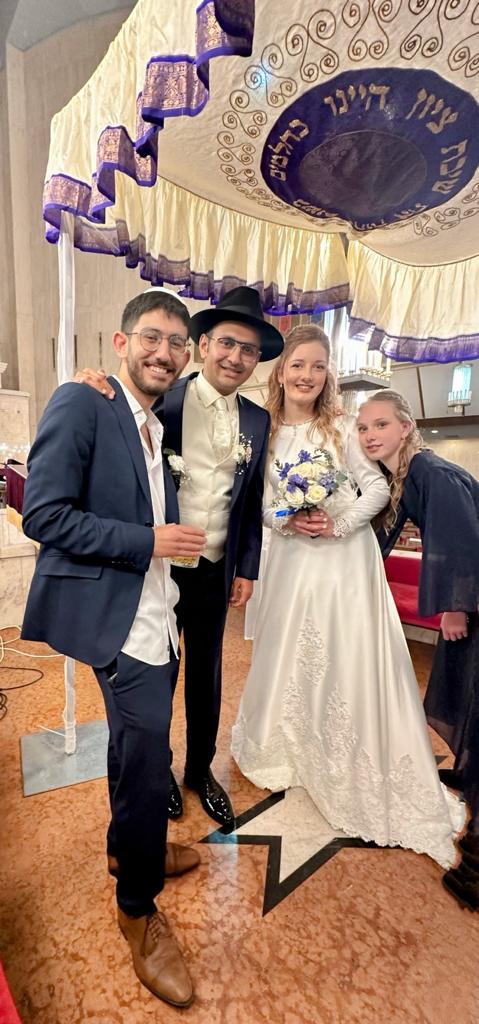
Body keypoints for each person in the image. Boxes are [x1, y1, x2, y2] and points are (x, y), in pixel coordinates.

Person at [21, 290, 207, 1008]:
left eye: (177, 343)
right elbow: (44, 514)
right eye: (151, 337)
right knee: (146, 761)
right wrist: (148, 540)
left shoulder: (156, 422)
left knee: (136, 752)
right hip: (117, 620)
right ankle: (137, 907)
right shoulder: (83, 401)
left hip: (158, 612)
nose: (165, 352)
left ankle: (127, 847)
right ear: (121, 342)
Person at [231, 325, 464, 867]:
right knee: (291, 652)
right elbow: (258, 504)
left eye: (318, 365)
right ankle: (287, 748)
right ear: (280, 372)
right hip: (291, 563)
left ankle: (351, 756)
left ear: (328, 373)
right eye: (298, 365)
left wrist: (337, 524)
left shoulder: (340, 425)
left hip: (344, 563)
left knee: (345, 655)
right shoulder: (264, 431)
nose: (307, 375)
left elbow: (377, 487)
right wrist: (289, 520)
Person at [77, 286, 283, 828]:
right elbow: (115, 408)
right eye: (227, 344)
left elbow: (251, 500)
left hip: (216, 570)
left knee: (208, 676)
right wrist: (91, 384)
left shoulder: (258, 420)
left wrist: (246, 568)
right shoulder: (164, 396)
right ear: (203, 345)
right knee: (158, 677)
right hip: (158, 568)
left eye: (249, 350)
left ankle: (199, 770)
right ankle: (161, 769)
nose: (236, 357)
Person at [357, 389, 479, 907]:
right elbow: (381, 537)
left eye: (381, 424)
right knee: (465, 693)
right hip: (471, 599)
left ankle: (477, 862)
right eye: (364, 428)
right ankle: (469, 773)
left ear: (406, 427)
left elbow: (460, 539)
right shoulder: (404, 478)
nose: (370, 435)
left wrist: (455, 605)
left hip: (472, 597)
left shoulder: (431, 471)